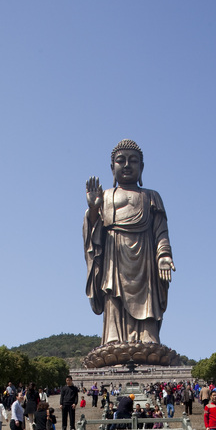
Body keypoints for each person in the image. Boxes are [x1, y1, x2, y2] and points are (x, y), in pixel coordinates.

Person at [84, 139, 174, 349]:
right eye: (120, 160)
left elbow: (161, 231)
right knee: (112, 295)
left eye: (133, 161)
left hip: (145, 259)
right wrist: (94, 211)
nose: (126, 165)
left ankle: (148, 339)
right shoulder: (105, 196)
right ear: (112, 168)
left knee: (148, 300)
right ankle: (113, 340)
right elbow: (93, 235)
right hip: (114, 257)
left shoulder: (151, 197)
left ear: (141, 167)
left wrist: (163, 256)